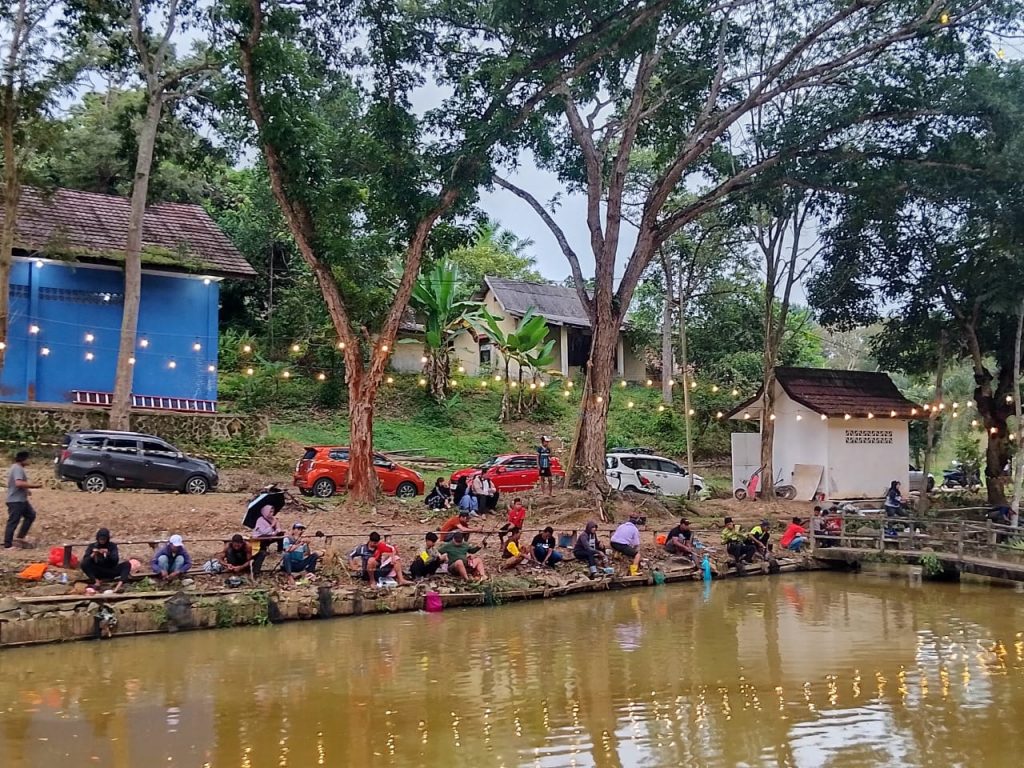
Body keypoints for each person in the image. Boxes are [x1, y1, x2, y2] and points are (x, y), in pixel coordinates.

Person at [5, 450, 41, 549]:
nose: (30, 460)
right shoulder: (17, 468)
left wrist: (26, 490)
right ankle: (7, 545)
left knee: (31, 515)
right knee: (13, 521)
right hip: (15, 501)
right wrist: (35, 486)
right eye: (28, 458)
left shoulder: (17, 467)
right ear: (23, 459)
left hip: (21, 500)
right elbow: (18, 483)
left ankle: (20, 537)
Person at [251, 504, 283, 573]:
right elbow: (264, 531)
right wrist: (272, 525)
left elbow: (278, 529)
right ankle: (263, 550)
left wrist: (277, 527)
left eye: (273, 512)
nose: (272, 513)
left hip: (270, 535)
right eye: (270, 512)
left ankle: (280, 549)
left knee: (281, 534)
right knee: (263, 542)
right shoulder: (260, 520)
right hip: (261, 537)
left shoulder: (273, 519)